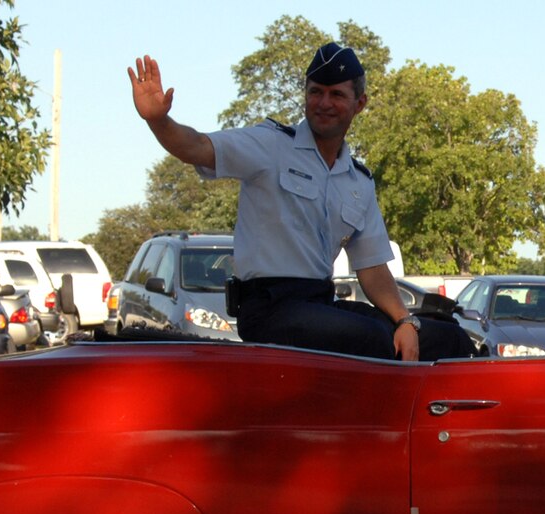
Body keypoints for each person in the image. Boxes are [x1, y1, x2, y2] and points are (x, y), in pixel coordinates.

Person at [127, 44, 472, 360]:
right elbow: (197, 146)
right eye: (315, 92)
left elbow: (372, 268)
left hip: (320, 304)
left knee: (449, 338)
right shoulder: (272, 145)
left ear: (360, 104)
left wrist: (406, 322)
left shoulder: (358, 181)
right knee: (369, 337)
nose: (323, 103)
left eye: (336, 94)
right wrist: (159, 120)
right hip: (269, 308)